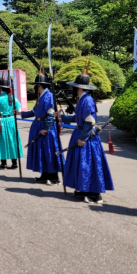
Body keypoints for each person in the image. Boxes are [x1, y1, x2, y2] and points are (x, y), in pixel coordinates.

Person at [59, 64, 113, 204]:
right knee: (80, 164)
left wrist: (83, 138)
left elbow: (89, 121)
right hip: (80, 133)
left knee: (88, 165)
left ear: (79, 87)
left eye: (75, 86)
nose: (74, 89)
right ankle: (83, 189)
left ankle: (94, 194)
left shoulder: (87, 100)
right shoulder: (81, 99)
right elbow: (78, 118)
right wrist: (61, 117)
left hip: (87, 137)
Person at [21, 73, 63, 185]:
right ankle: (44, 174)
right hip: (38, 125)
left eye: (36, 86)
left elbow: (50, 114)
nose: (35, 88)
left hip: (46, 127)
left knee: (49, 151)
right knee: (42, 152)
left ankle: (54, 176)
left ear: (39, 86)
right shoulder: (40, 97)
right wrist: (20, 113)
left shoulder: (49, 96)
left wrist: (47, 128)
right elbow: (34, 112)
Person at [0, 76, 23, 169]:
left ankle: (4, 163)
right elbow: (19, 109)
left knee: (2, 141)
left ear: (1, 88)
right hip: (12, 121)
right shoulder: (14, 98)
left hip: (2, 121)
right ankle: (14, 163)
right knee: (13, 140)